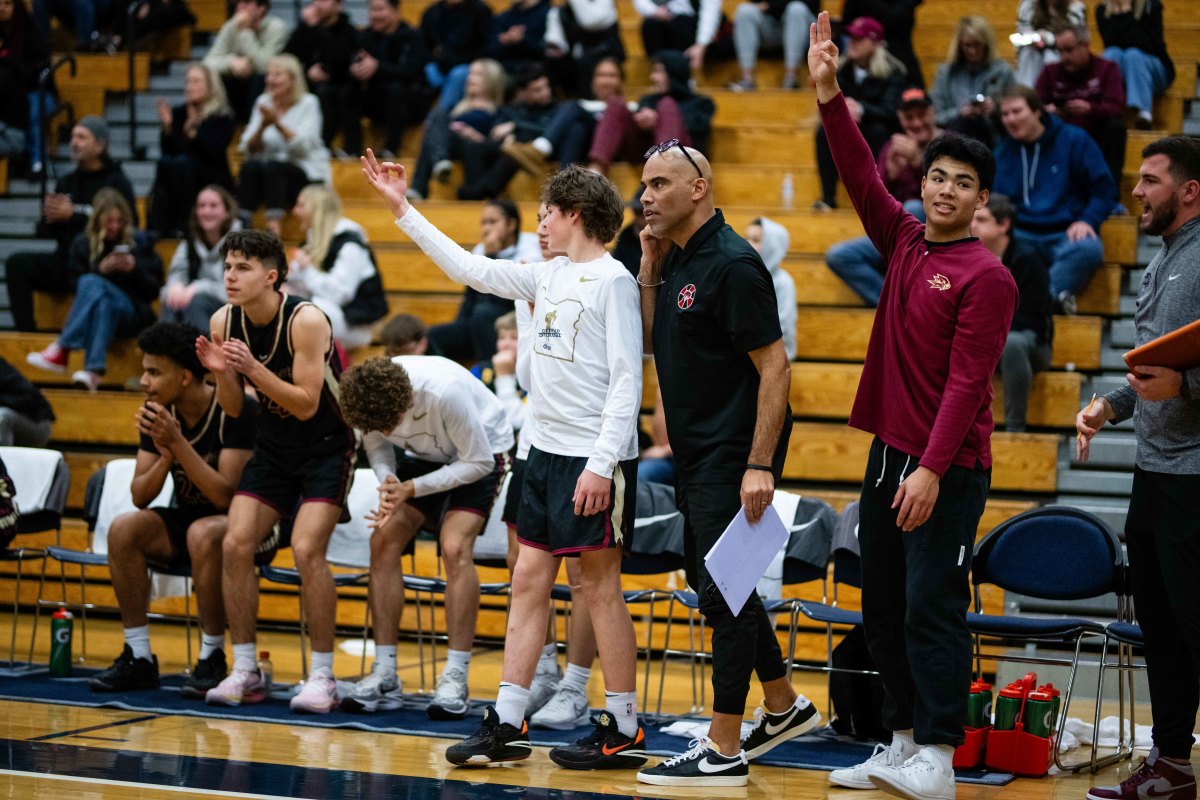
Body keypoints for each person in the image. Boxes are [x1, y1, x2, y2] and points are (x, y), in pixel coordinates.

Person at [362, 155, 646, 770]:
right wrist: (401, 208)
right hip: (541, 454)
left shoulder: (615, 281)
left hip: (591, 459)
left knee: (597, 586)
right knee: (526, 581)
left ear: (574, 214)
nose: (539, 224)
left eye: (546, 214)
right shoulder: (546, 275)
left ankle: (624, 725)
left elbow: (628, 381)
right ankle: (509, 720)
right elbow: (468, 267)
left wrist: (601, 464)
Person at [808, 11, 1018, 798]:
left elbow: (969, 385)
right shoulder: (900, 240)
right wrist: (830, 94)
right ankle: (898, 743)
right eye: (938, 177)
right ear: (922, 182)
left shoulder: (987, 278)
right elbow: (861, 172)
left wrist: (930, 471)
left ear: (983, 202)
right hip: (888, 452)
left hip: (948, 465)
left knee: (931, 608)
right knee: (885, 606)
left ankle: (940, 753)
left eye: (964, 183)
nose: (947, 190)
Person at [632, 142, 819, 787]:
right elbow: (657, 340)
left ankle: (723, 747)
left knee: (724, 593)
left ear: (699, 188)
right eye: (644, 186)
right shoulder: (679, 256)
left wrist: (759, 464)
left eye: (659, 184)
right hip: (694, 452)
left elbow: (776, 367)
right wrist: (650, 267)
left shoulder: (736, 265)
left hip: (733, 455)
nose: (646, 197)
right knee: (721, 584)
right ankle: (783, 704)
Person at [1078, 133, 1200, 800]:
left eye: (1150, 180)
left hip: (1195, 478)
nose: (1136, 192)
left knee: (1193, 625)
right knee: (1161, 627)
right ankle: (1173, 764)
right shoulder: (1162, 261)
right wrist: (1109, 406)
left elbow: (1181, 379)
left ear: (1188, 191)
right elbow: (1157, 369)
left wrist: (1187, 391)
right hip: (1154, 476)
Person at [197, 229, 357, 714]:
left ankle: (324, 676)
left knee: (307, 549)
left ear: (271, 276)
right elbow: (232, 408)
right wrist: (223, 372)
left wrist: (252, 370)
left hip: (327, 445)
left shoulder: (306, 320)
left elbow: (308, 404)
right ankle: (245, 668)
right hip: (274, 446)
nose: (230, 276)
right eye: (227, 266)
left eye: (242, 268)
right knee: (234, 543)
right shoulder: (223, 320)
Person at [87, 322, 259, 699]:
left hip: (250, 523)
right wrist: (166, 456)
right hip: (192, 518)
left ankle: (212, 656)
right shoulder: (158, 413)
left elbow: (224, 497)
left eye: (154, 372)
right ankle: (138, 654)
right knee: (124, 529)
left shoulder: (235, 409)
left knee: (204, 532)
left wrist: (178, 444)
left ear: (184, 377)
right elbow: (139, 496)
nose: (144, 381)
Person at [338, 355, 513, 716]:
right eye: (378, 426)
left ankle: (455, 676)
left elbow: (477, 462)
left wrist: (412, 488)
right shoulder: (368, 400)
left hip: (483, 450)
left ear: (405, 402)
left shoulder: (443, 393)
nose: (386, 431)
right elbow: (378, 446)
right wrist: (388, 479)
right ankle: (385, 671)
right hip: (427, 454)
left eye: (391, 423)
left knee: (453, 547)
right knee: (382, 540)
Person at [4, 117, 137, 333]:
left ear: (100, 145)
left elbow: (129, 225)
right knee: (17, 264)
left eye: (82, 137)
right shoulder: (66, 181)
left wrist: (72, 214)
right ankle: (26, 334)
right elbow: (50, 231)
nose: (74, 142)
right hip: (66, 261)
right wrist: (48, 218)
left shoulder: (117, 182)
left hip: (100, 263)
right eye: (73, 137)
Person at [993, 84, 1117, 313]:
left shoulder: (1074, 140)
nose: (1010, 119)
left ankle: (1034, 304)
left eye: (1017, 111)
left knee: (1088, 248)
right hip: (1020, 233)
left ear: (1037, 111)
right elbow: (996, 202)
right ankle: (1043, 303)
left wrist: (1087, 220)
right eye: (1005, 114)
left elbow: (1104, 189)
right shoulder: (1002, 152)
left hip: (1065, 231)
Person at [26, 189, 163, 392]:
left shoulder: (139, 242)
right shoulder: (82, 243)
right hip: (104, 314)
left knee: (91, 281)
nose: (114, 226)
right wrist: (102, 270)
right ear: (98, 219)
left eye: (119, 221)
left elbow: (154, 291)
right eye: (109, 221)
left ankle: (63, 348)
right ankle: (93, 373)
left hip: (133, 314)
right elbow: (76, 288)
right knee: (101, 299)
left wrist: (135, 269)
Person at [825, 87, 938, 305]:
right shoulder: (892, 147)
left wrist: (917, 164)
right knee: (838, 256)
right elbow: (875, 202)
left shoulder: (948, 143)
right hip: (895, 235)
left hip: (935, 235)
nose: (916, 123)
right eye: (909, 117)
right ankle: (896, 306)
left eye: (921, 115)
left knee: (915, 207)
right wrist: (890, 177)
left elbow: (947, 196)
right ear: (900, 119)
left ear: (933, 113)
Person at [972, 195, 1053, 433]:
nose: (973, 224)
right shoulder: (968, 255)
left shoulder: (1027, 259)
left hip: (1032, 344)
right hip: (987, 341)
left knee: (1013, 343)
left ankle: (1015, 429)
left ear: (1003, 225)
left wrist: (986, 331)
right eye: (973, 218)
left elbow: (1033, 318)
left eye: (981, 219)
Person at [426, 199, 539, 363]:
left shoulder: (530, 249)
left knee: (482, 313)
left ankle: (487, 373)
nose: (486, 228)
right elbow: (470, 298)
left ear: (511, 224)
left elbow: (503, 298)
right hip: (482, 318)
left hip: (514, 315)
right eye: (484, 223)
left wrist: (492, 255)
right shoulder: (481, 249)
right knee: (434, 336)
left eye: (493, 222)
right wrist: (459, 326)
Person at [813, 16, 906, 210]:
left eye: (859, 39)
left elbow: (892, 111)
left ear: (875, 43)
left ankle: (880, 197)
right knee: (823, 133)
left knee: (878, 130)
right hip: (849, 128)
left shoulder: (893, 72)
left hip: (877, 130)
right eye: (850, 38)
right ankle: (828, 198)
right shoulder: (842, 69)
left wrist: (861, 108)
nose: (852, 43)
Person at [237, 54, 331, 238]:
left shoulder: (308, 103)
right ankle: (242, 221)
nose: (270, 80)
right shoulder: (263, 102)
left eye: (277, 75)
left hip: (305, 175)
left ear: (293, 79)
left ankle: (274, 227)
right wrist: (263, 126)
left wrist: (277, 124)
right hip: (268, 177)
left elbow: (303, 146)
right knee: (250, 167)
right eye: (269, 75)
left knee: (274, 168)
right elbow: (248, 148)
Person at [287, 185, 388, 350]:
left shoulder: (350, 244)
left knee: (311, 310)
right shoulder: (310, 242)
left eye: (301, 205)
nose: (295, 211)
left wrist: (307, 270)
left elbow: (340, 294)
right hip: (329, 314)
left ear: (317, 209)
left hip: (354, 326)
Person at [587, 52, 715, 174]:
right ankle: (596, 171)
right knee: (616, 103)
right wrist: (642, 119)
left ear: (674, 72)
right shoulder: (648, 99)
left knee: (667, 104)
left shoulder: (701, 103)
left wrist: (659, 120)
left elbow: (696, 131)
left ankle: (664, 171)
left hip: (682, 159)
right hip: (646, 153)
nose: (652, 77)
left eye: (658, 71)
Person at [147, 63, 236, 237]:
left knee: (181, 165)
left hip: (213, 175)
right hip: (183, 172)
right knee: (165, 164)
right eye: (188, 82)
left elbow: (214, 152)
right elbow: (169, 152)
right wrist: (167, 128)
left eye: (196, 82)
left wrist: (195, 133)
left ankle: (186, 225)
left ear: (210, 86)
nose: (190, 86)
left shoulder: (222, 116)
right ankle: (156, 228)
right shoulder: (179, 113)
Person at [1034, 24, 1126, 186]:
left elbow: (1116, 107)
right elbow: (1033, 105)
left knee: (1116, 127)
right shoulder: (1050, 71)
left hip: (1096, 131)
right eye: (1060, 51)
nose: (1063, 57)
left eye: (1069, 50)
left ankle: (1110, 193)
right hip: (1060, 131)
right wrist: (1046, 111)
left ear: (1085, 45)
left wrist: (1090, 109)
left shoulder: (1107, 68)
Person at [340, 0, 433, 158]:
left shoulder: (413, 36)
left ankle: (390, 150)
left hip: (410, 103)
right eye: (372, 10)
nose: (374, 15)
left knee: (396, 90)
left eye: (380, 10)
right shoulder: (365, 36)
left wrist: (377, 66)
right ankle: (352, 150)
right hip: (379, 101)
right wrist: (356, 70)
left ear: (396, 10)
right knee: (348, 91)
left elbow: (410, 72)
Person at [505, 57, 627, 175]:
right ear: (593, 80)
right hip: (580, 151)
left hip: (610, 153)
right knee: (576, 128)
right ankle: (565, 181)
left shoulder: (630, 107)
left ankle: (542, 147)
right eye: (600, 75)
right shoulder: (585, 105)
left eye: (612, 76)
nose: (605, 80)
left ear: (622, 80)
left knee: (574, 105)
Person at [408, 58, 507, 201]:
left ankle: (420, 185)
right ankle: (439, 161)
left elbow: (497, 144)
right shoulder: (458, 107)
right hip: (450, 144)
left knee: (437, 122)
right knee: (438, 117)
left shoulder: (499, 111)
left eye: (477, 74)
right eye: (471, 74)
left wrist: (473, 135)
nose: (470, 78)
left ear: (491, 79)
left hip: (473, 149)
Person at [457, 65, 560, 201]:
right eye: (537, 90)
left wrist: (515, 129)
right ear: (523, 93)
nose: (546, 92)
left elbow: (547, 132)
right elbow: (496, 129)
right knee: (473, 147)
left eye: (546, 87)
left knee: (512, 154)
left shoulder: (557, 110)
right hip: (507, 146)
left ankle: (480, 192)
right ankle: (475, 192)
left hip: (533, 152)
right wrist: (507, 135)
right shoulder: (514, 109)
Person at [161, 185, 240, 331]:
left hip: (234, 311)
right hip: (194, 307)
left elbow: (238, 290)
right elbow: (175, 276)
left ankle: (205, 352)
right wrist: (175, 286)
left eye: (213, 206)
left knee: (195, 302)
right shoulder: (188, 243)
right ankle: (162, 353)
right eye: (201, 206)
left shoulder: (240, 243)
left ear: (227, 212)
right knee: (172, 301)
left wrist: (199, 287)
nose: (206, 211)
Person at [929, 16, 1015, 145]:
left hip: (993, 138)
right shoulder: (946, 73)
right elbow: (934, 117)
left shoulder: (1003, 71)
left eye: (977, 45)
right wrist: (959, 112)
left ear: (986, 44)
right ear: (960, 45)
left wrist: (995, 109)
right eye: (967, 45)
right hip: (954, 139)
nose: (972, 51)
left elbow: (1016, 112)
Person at [285, 0, 358, 146]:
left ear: (338, 6)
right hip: (307, 83)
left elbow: (339, 59)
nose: (318, 4)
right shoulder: (305, 28)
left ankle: (325, 145)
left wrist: (315, 29)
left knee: (331, 93)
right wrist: (307, 72)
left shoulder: (347, 29)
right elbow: (287, 57)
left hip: (338, 84)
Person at [202, 0, 289, 124]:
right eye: (238, 2)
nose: (240, 7)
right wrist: (231, 62)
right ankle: (216, 126)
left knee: (259, 78)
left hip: (263, 87)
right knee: (209, 77)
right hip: (235, 86)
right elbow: (207, 64)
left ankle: (254, 126)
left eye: (247, 2)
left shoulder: (276, 28)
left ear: (261, 8)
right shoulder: (231, 26)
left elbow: (265, 67)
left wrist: (244, 32)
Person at [1095, 0, 1175, 130]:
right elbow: (1111, 42)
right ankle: (1108, 108)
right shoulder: (1102, 10)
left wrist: (1126, 13)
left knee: (1133, 54)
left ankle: (1143, 112)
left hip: (1155, 69)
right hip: (1126, 67)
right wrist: (1118, 14)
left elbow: (1145, 44)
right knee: (1111, 54)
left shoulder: (1151, 6)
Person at [420, 0, 494, 111]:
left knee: (458, 74)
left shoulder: (481, 10)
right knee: (426, 70)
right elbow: (423, 46)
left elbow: (488, 46)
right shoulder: (432, 12)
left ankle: (442, 115)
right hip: (439, 65)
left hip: (469, 64)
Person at [728, 0, 816, 91]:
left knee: (797, 9)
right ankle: (747, 80)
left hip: (803, 26)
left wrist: (770, 6)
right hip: (770, 24)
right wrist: (771, 7)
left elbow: (811, 3)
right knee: (744, 11)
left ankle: (792, 79)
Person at [543, 0, 624, 97]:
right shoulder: (558, 12)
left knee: (592, 63)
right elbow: (553, 38)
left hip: (606, 50)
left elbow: (590, 21)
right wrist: (556, 48)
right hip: (575, 55)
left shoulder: (602, 2)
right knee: (552, 61)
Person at [745, 217, 797, 361]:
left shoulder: (783, 282)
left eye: (756, 240)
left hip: (774, 356)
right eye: (746, 238)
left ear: (772, 245)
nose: (748, 244)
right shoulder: (742, 275)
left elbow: (784, 325)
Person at [841, 0, 922, 90]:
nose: (852, 43)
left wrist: (860, 105)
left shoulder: (896, 75)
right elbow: (846, 21)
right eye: (852, 38)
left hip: (896, 54)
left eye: (858, 39)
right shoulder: (842, 71)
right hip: (868, 56)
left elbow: (894, 18)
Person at [1013, 0, 1085, 88]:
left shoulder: (1075, 7)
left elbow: (1075, 39)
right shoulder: (1028, 5)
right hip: (1033, 53)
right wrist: (1033, 39)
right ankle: (1027, 91)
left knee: (1050, 54)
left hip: (1061, 53)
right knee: (1028, 52)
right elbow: (1019, 36)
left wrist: (1048, 38)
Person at [633, 0, 719, 70]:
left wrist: (701, 44)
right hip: (659, 18)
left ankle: (684, 75)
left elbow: (710, 10)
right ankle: (660, 73)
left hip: (689, 23)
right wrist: (654, 11)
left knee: (682, 23)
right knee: (650, 25)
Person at [0, 358, 54, 447]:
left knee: (1, 415)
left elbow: (30, 400)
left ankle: (5, 459)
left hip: (36, 423)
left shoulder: (4, 371)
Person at [487, 0, 551, 75]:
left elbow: (550, 52)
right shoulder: (502, 18)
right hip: (505, 71)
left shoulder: (551, 14)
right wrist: (504, 41)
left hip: (538, 71)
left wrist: (523, 40)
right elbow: (489, 51)